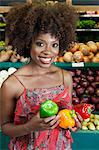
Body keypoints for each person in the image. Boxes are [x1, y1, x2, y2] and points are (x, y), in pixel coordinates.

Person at [0, 1, 82, 150]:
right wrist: (29, 127)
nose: (48, 51)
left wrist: (73, 122)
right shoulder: (12, 84)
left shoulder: (65, 77)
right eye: (40, 44)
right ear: (27, 43)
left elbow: (67, 113)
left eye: (54, 44)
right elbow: (5, 127)